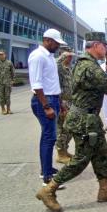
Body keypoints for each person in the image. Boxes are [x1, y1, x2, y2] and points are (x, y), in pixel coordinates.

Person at [35, 31, 107, 212]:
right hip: (84, 121)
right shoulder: (90, 67)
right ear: (96, 45)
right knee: (81, 159)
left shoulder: (83, 63)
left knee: (101, 154)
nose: (106, 50)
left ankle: (104, 190)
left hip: (89, 119)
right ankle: (49, 190)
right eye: (104, 46)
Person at [28, 28, 67, 187]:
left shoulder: (49, 56)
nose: (58, 46)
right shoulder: (38, 56)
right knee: (49, 137)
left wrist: (60, 102)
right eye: (56, 43)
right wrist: (46, 106)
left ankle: (46, 168)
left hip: (52, 99)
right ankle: (47, 177)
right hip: (44, 100)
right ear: (48, 40)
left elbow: (51, 82)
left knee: (49, 136)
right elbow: (37, 84)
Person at [54, 45, 75, 164]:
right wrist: (63, 56)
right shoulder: (58, 68)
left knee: (70, 129)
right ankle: (60, 154)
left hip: (71, 102)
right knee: (62, 129)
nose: (70, 57)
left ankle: (65, 150)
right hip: (62, 102)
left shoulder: (69, 68)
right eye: (68, 56)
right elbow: (56, 63)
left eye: (71, 55)